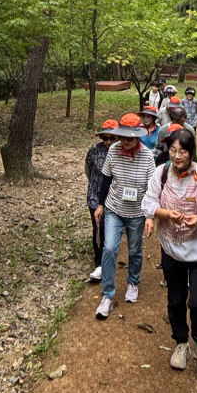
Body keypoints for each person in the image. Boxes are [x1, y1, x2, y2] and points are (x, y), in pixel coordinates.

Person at [142, 128, 197, 378]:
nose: (177, 156)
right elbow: (148, 202)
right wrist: (165, 214)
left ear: (191, 152)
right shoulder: (161, 173)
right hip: (171, 249)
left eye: (182, 151)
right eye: (172, 150)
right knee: (175, 298)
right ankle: (181, 342)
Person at [94, 114, 155, 319]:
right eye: (123, 137)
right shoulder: (113, 150)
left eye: (130, 138)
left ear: (137, 136)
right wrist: (100, 204)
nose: (125, 141)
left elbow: (152, 188)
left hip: (137, 212)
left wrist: (150, 215)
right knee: (109, 248)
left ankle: (133, 282)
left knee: (135, 250)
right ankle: (107, 295)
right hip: (114, 208)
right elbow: (106, 178)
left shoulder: (147, 157)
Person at [85, 120, 119, 281]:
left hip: (114, 196)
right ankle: (99, 262)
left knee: (109, 227)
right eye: (105, 138)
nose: (108, 141)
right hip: (95, 194)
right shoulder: (94, 150)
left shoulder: (121, 151)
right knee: (98, 226)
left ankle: (109, 257)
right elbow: (87, 168)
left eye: (112, 138)